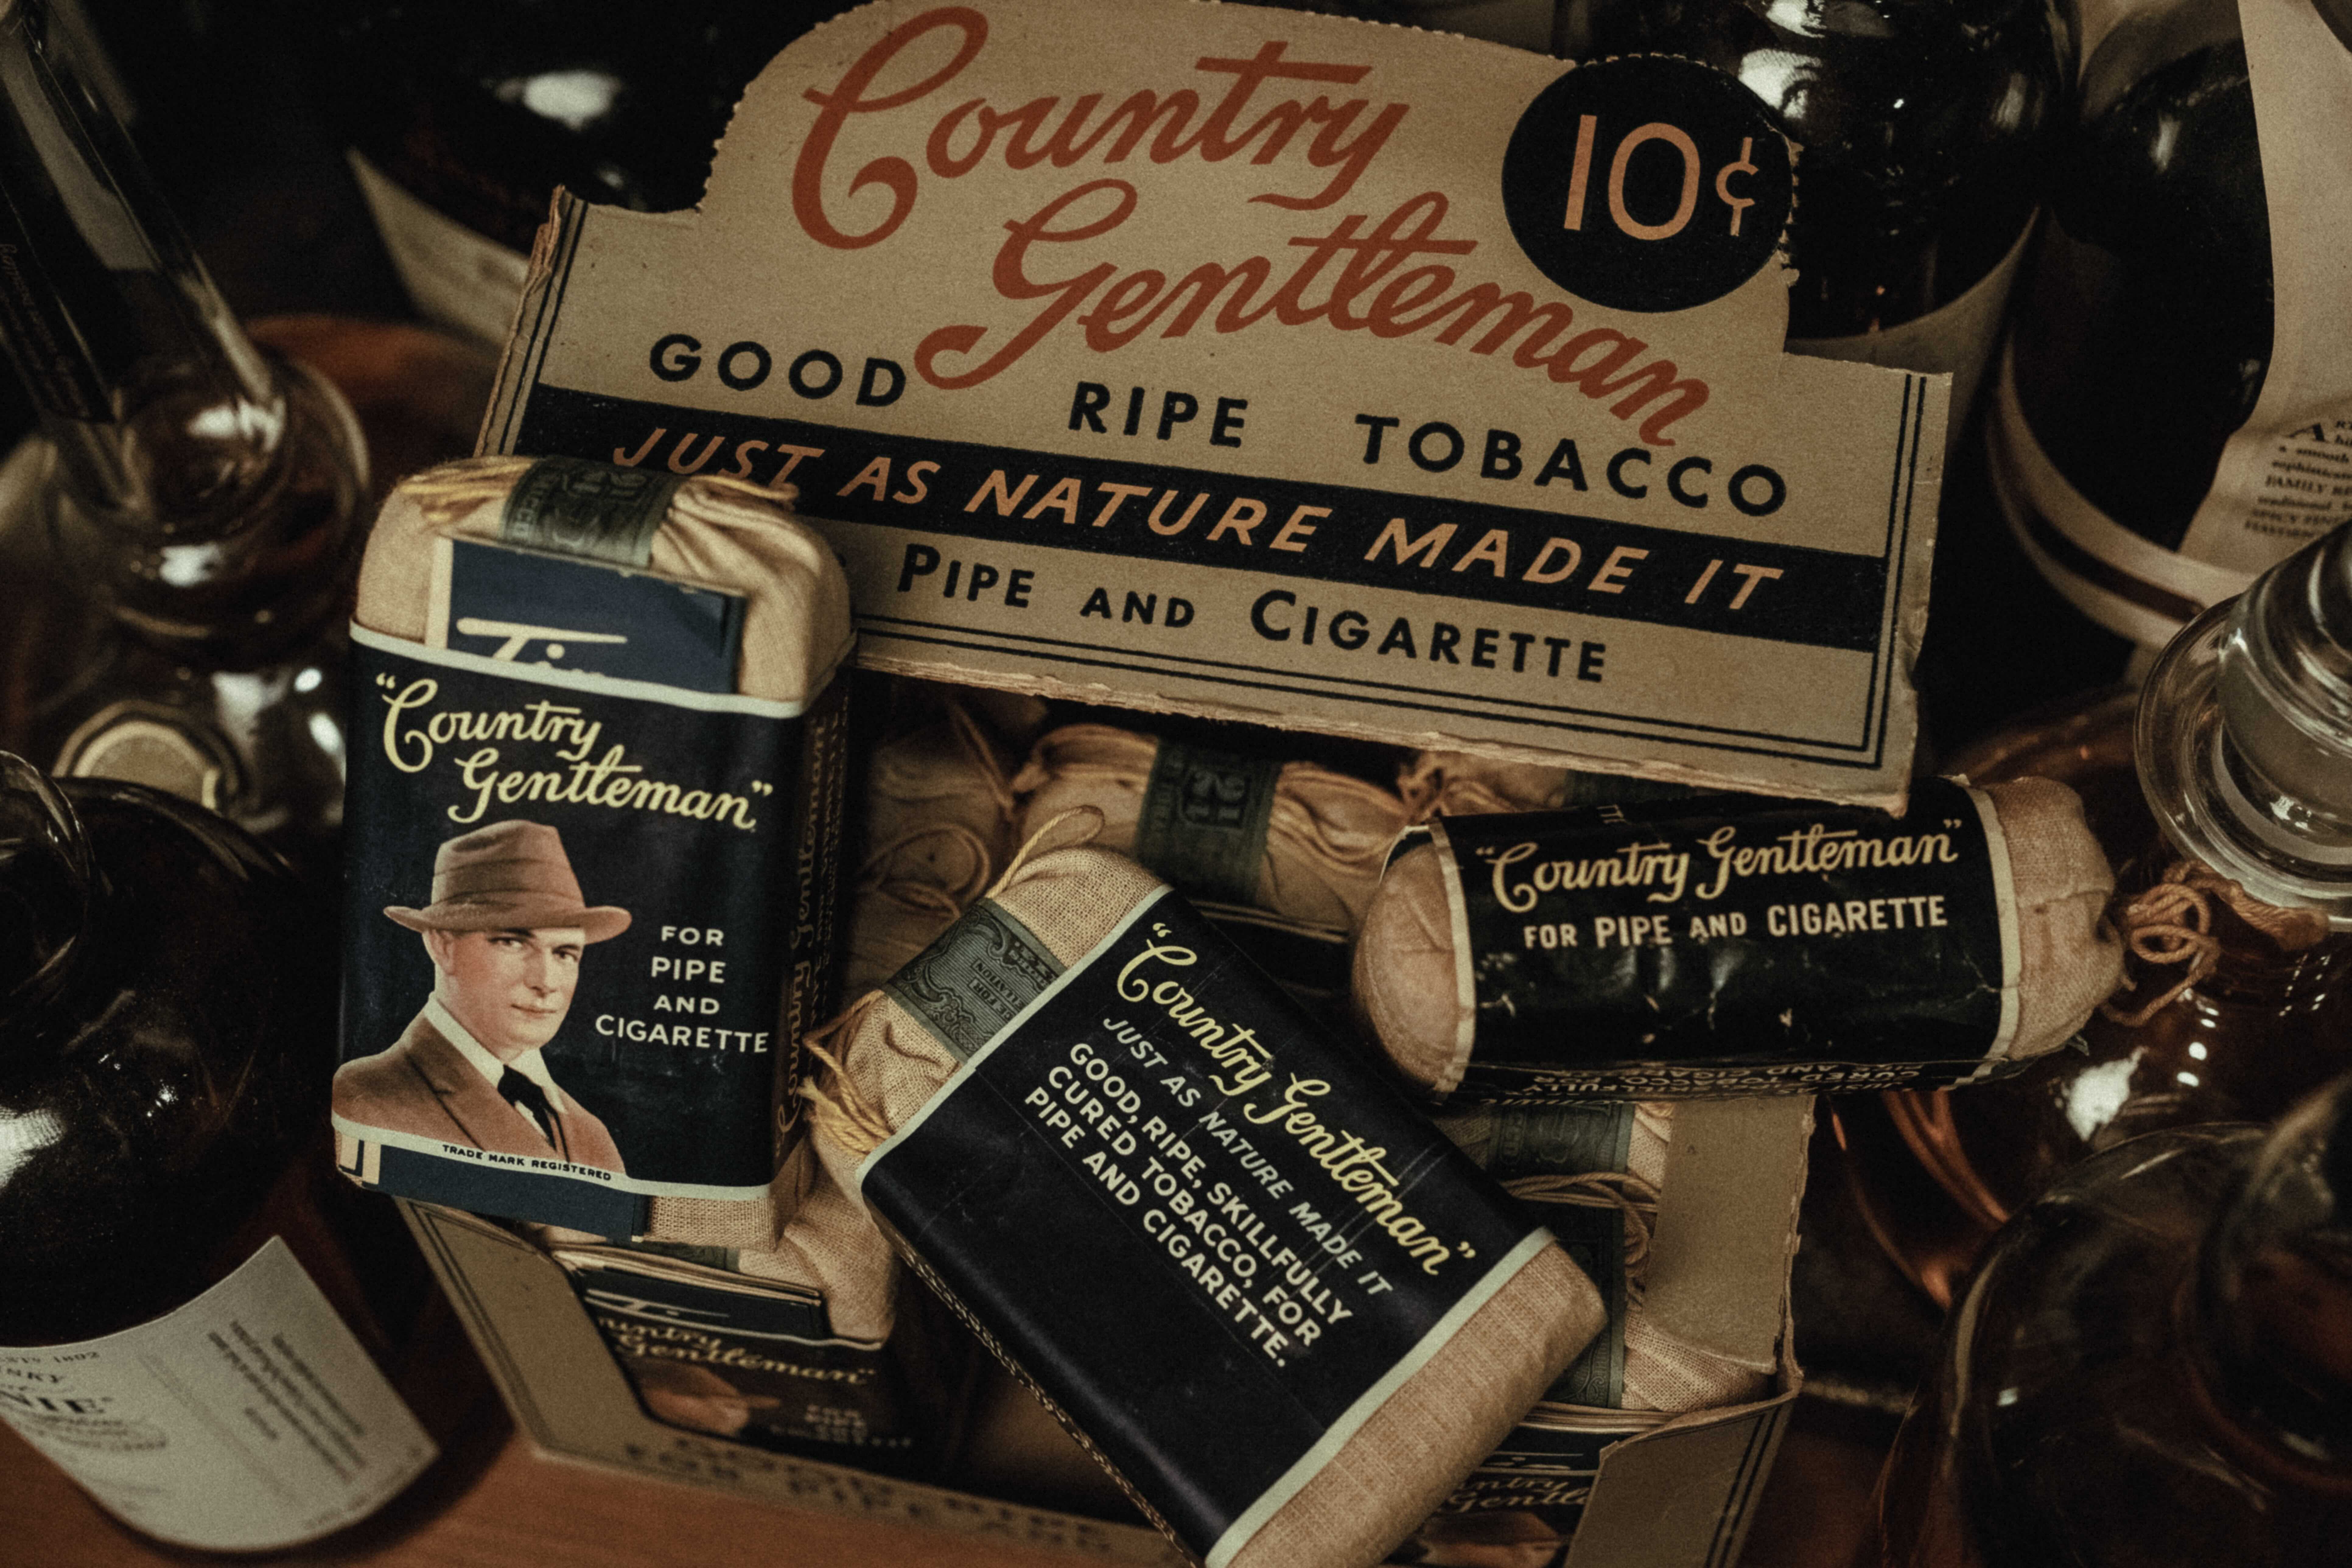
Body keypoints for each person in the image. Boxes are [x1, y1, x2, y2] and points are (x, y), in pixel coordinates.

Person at [334, 820, 632, 1171]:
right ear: (443, 946)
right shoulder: (368, 1098)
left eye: (565, 953)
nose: (546, 981)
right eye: (512, 942)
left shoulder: (592, 1135)